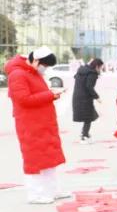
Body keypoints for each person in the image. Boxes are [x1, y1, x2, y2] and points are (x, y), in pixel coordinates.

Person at [7, 46, 70, 204]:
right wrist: (50, 94)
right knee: (33, 160)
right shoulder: (17, 75)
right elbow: (24, 100)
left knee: (49, 158)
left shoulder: (33, 72)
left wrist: (52, 95)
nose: (45, 69)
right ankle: (35, 195)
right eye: (45, 65)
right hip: (30, 124)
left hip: (43, 122)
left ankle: (53, 190)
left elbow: (37, 95)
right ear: (35, 61)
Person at [72, 58, 104, 143]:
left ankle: (84, 133)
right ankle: (84, 136)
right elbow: (89, 87)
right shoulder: (92, 73)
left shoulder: (82, 70)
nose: (100, 70)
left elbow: (75, 77)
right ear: (97, 66)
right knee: (88, 117)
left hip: (77, 96)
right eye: (100, 67)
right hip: (85, 98)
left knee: (91, 115)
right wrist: (97, 97)